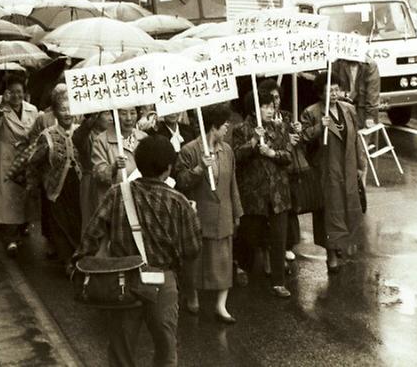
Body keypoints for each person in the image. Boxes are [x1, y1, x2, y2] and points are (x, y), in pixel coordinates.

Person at [75, 135, 202, 367]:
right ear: (168, 169)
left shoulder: (116, 193)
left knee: (121, 349)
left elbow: (92, 234)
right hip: (163, 280)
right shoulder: (179, 201)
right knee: (166, 348)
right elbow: (193, 248)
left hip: (124, 279)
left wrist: (79, 261)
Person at [175, 104, 242, 323]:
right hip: (200, 212)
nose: (227, 129)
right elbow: (181, 182)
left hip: (223, 212)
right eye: (224, 125)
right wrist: (199, 169)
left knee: (224, 259)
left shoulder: (227, 150)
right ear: (213, 126)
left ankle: (221, 305)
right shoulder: (190, 150)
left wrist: (237, 210)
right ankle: (192, 294)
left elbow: (232, 183)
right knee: (196, 260)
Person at [300, 72, 366, 273]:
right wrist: (321, 127)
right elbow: (303, 139)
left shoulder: (349, 110)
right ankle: (331, 256)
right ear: (321, 93)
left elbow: (355, 140)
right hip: (326, 171)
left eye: (337, 89)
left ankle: (341, 246)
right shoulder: (311, 113)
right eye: (330, 90)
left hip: (347, 167)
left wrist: (360, 165)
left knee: (348, 209)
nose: (335, 93)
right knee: (330, 214)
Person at [232, 90, 293, 298]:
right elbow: (236, 156)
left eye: (271, 106)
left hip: (278, 193)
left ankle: (278, 282)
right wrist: (253, 142)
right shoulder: (241, 129)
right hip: (254, 194)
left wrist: (272, 153)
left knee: (279, 237)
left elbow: (288, 156)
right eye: (264, 106)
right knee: (249, 236)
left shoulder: (279, 127)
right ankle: (241, 267)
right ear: (254, 108)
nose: (270, 110)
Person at [27, 94, 82, 274]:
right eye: (63, 109)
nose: (67, 113)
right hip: (56, 188)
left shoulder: (81, 132)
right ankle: (68, 261)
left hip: (78, 186)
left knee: (77, 222)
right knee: (60, 224)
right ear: (55, 112)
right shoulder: (48, 135)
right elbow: (34, 161)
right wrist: (34, 183)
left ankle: (77, 257)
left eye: (70, 109)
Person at [0, 75, 39, 255]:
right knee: (7, 197)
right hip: (6, 157)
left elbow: (36, 133)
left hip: (26, 157)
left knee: (24, 194)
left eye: (20, 92)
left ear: (25, 93)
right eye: (13, 92)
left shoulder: (32, 110)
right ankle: (11, 238)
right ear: (7, 93)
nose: (16, 96)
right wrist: (0, 107)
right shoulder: (0, 108)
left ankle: (22, 225)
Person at [257, 78, 303, 263]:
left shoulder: (287, 116)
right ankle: (270, 253)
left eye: (277, 98)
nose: (275, 103)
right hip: (270, 174)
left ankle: (287, 245)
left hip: (289, 172)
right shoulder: (261, 122)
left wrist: (299, 132)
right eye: (271, 99)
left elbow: (300, 142)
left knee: (288, 211)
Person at [72, 111, 112, 231]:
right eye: (106, 114)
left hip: (111, 180)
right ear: (96, 117)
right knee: (93, 221)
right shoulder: (87, 136)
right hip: (91, 182)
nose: (110, 118)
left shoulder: (114, 135)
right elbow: (77, 138)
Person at [91, 108, 147, 193]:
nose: (128, 118)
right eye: (123, 114)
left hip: (141, 194)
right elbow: (98, 175)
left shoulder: (143, 137)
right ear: (114, 115)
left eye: (132, 113)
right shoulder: (101, 141)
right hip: (116, 198)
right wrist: (113, 167)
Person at [332, 56, 381, 130]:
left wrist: (370, 116)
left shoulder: (369, 65)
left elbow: (372, 94)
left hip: (363, 108)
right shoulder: (338, 63)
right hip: (344, 108)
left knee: (365, 138)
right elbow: (333, 87)